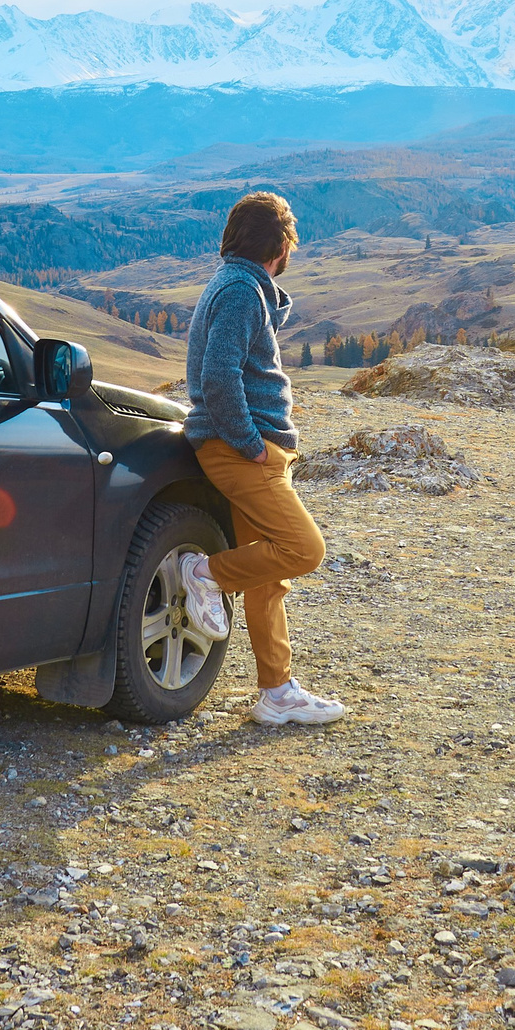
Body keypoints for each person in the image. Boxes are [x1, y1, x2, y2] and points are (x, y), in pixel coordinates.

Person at [177, 191, 346, 727]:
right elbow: (218, 377)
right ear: (280, 247)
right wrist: (251, 445)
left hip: (241, 448)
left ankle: (276, 691)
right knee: (302, 549)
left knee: (267, 578)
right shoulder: (240, 292)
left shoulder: (241, 285)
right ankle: (202, 573)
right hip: (239, 451)